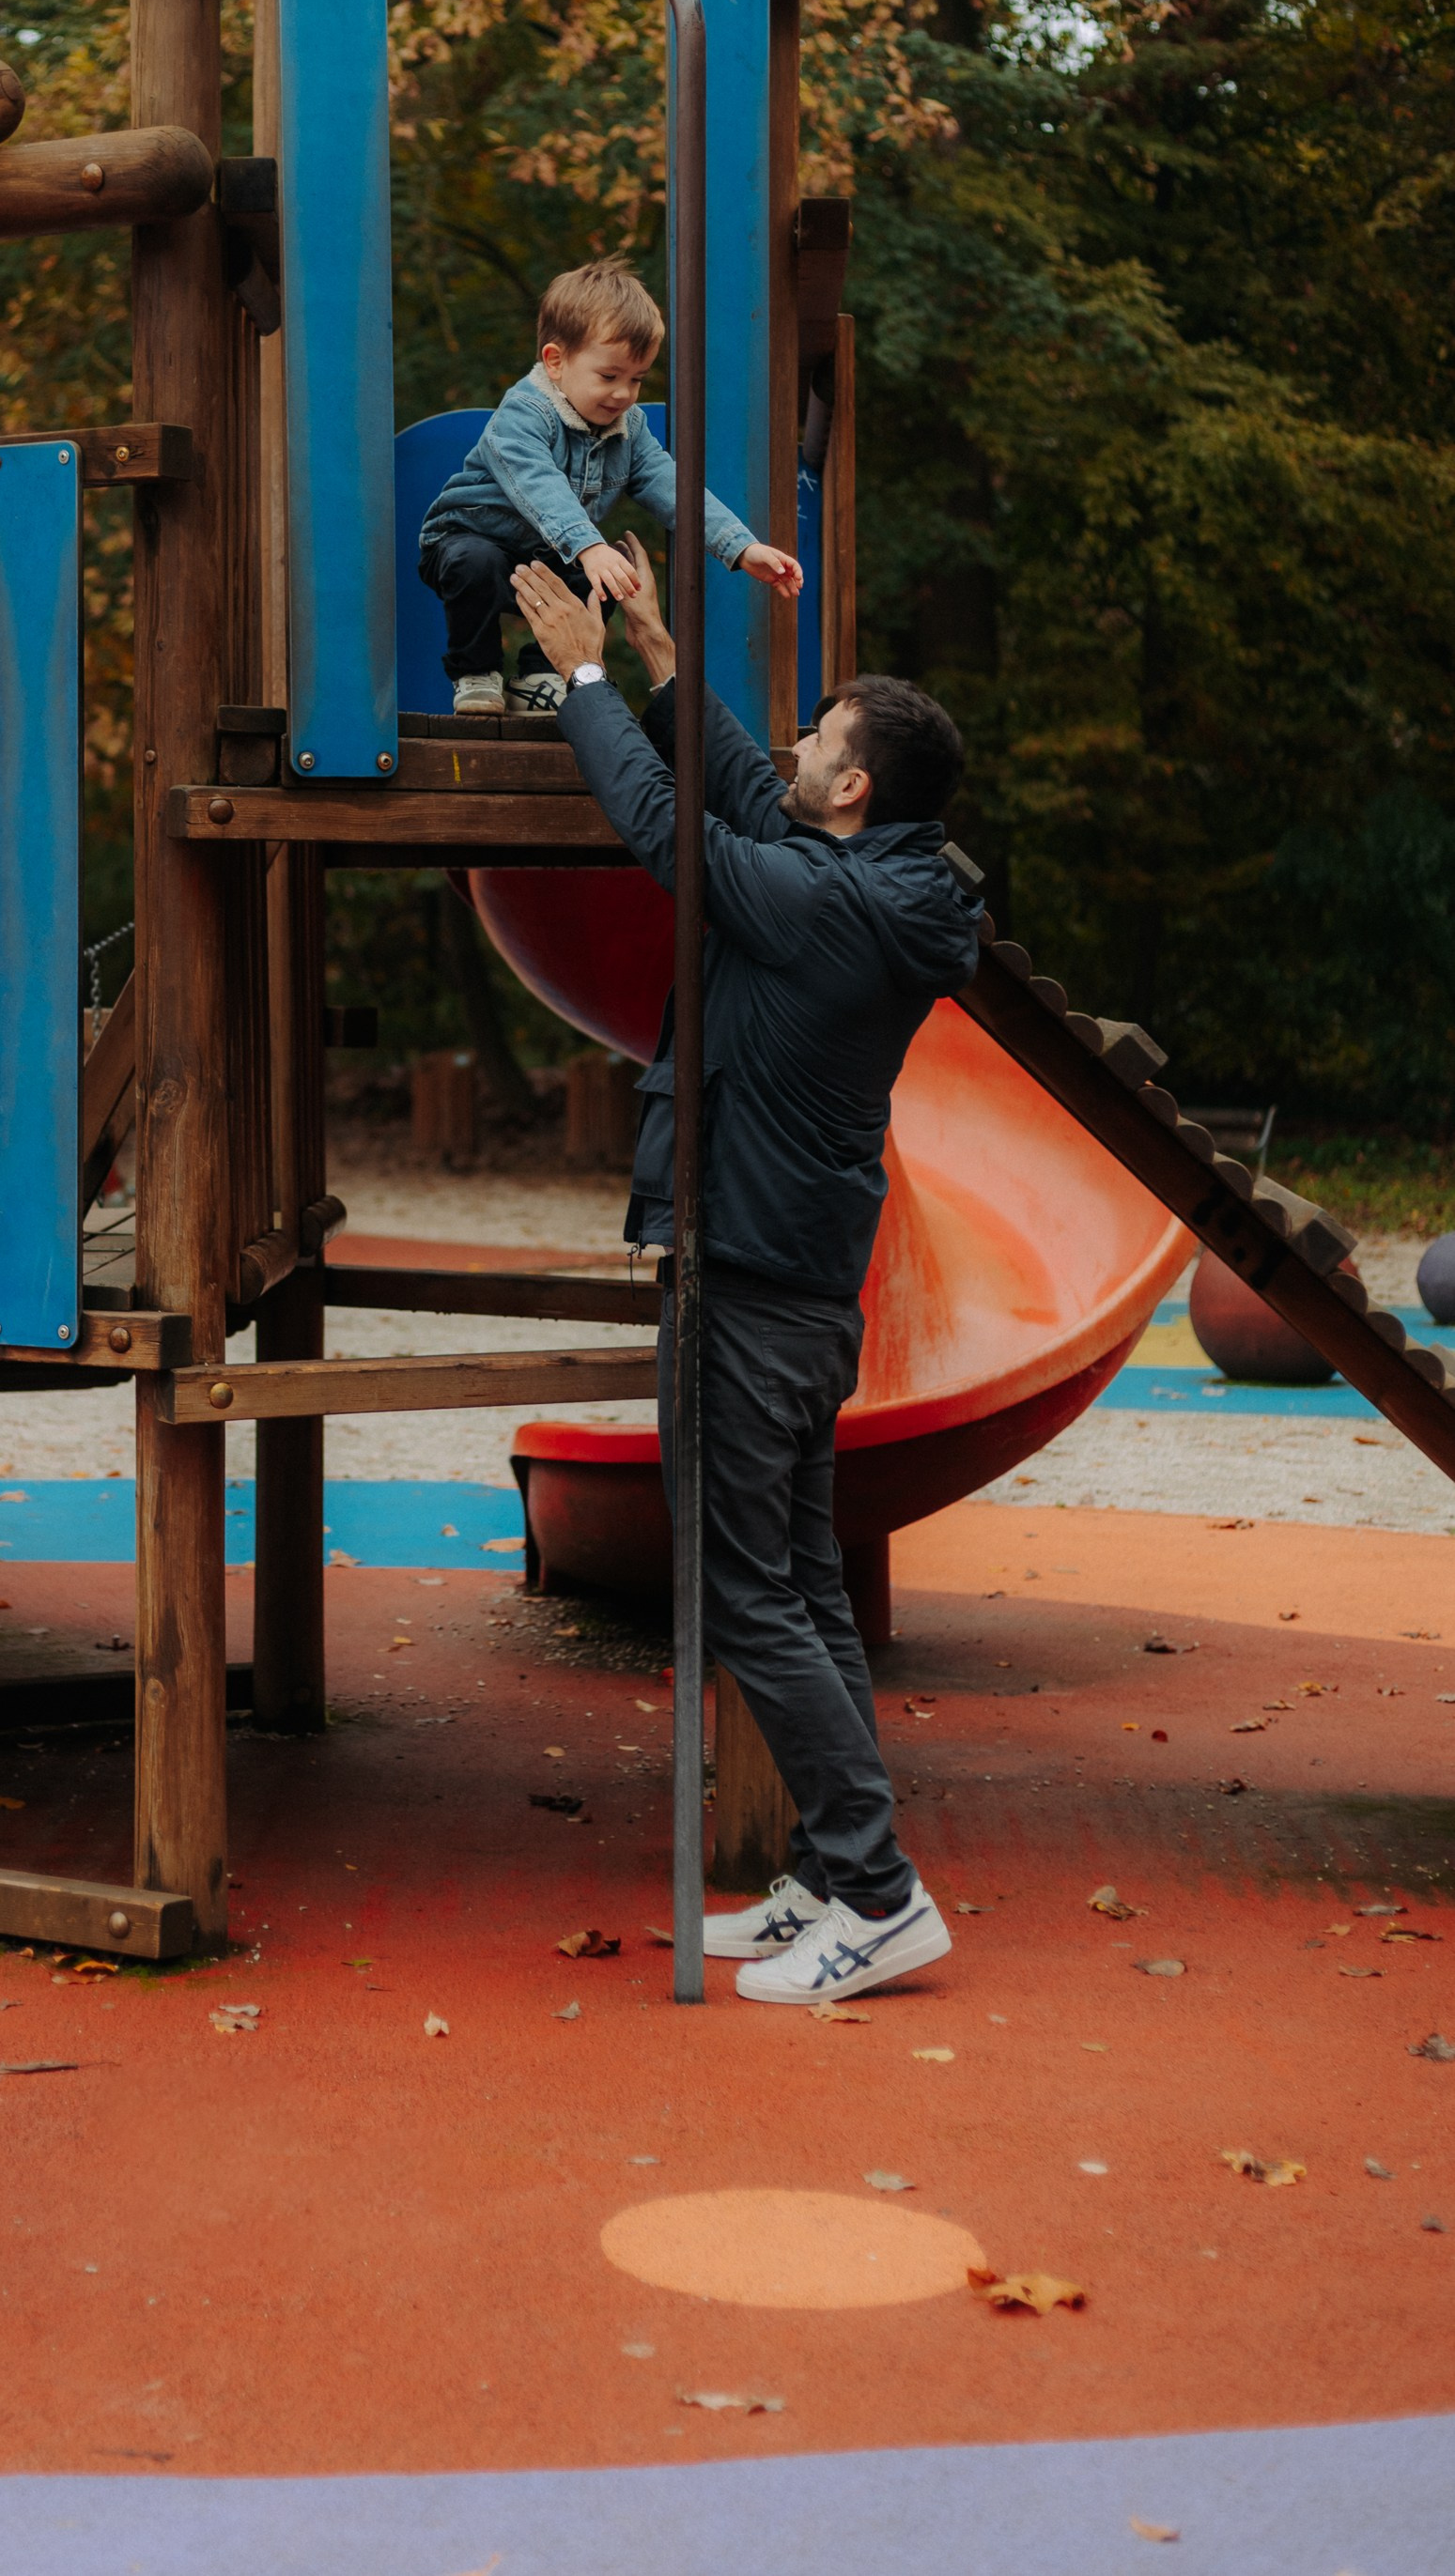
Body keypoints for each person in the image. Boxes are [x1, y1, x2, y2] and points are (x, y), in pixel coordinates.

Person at [509, 536, 980, 2007]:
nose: (796, 750)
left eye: (819, 740)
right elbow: (730, 783)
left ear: (854, 787)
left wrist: (581, 682)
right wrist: (657, 650)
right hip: (794, 1282)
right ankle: (842, 1873)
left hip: (755, 1282)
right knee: (800, 1585)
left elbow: (672, 831)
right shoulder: (865, 880)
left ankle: (880, 1893)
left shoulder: (821, 906)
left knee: (744, 1589)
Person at [416, 260, 800, 717]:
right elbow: (538, 484)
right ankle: (477, 672)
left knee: (612, 573)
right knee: (477, 562)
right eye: (609, 376)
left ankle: (541, 676)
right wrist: (588, 546)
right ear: (556, 362)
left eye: (637, 379)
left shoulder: (628, 429)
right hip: (469, 543)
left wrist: (740, 547)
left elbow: (672, 487)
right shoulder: (523, 414)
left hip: (549, 557)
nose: (624, 394)